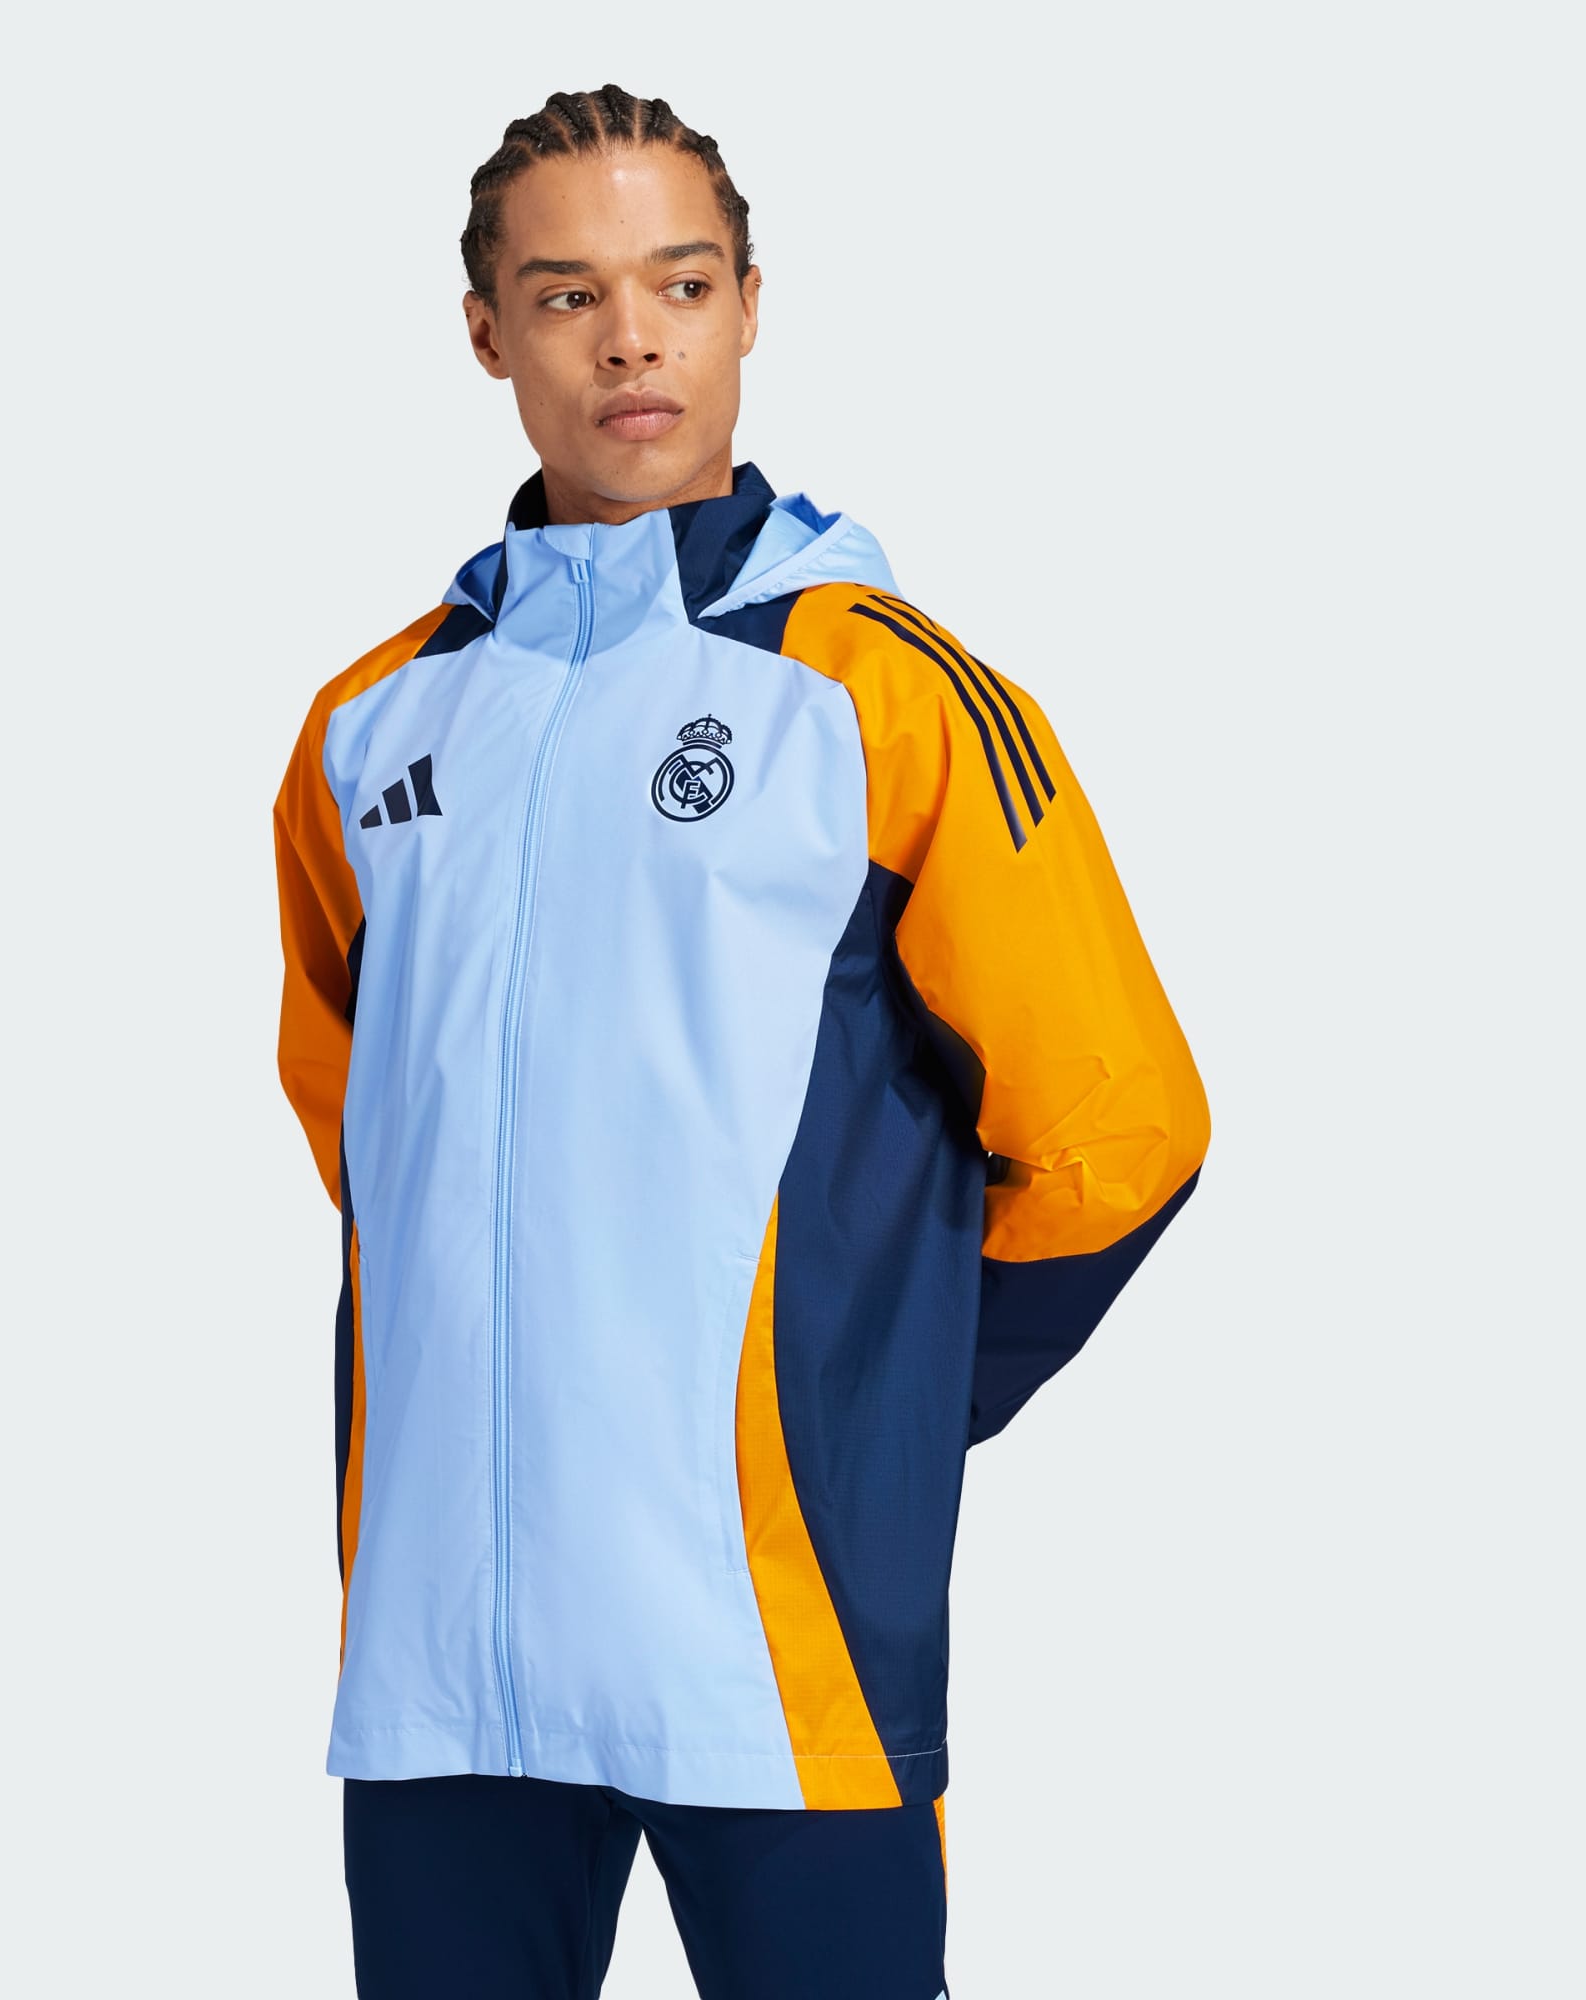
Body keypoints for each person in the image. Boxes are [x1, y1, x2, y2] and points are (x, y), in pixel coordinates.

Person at [272, 82, 1211, 2000]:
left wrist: (874, 1401)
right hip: (442, 1656)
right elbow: (366, 1133)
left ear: (751, 307)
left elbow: (1123, 1131)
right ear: (487, 334)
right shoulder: (369, 727)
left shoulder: (882, 694)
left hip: (776, 1653)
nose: (631, 339)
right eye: (568, 295)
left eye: (680, 284)